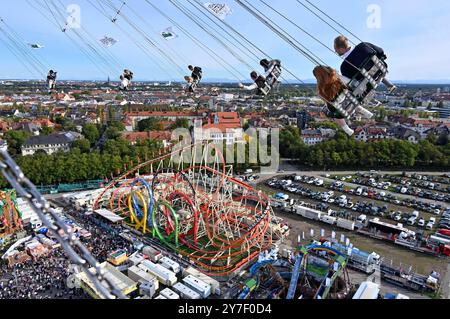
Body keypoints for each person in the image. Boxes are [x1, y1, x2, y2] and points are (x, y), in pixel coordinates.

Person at [313, 65, 374, 137]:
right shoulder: (338, 78)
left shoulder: (320, 91)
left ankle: (346, 128)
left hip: (341, 112)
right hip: (351, 102)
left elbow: (327, 103)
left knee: (330, 112)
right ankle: (364, 111)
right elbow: (350, 83)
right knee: (349, 99)